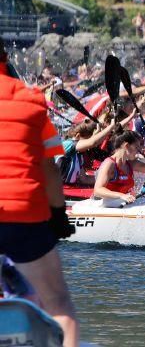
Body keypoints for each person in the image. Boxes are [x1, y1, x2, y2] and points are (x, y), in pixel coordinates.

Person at [0, 39, 80, 346]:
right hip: (26, 216)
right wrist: (58, 216)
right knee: (59, 303)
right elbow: (49, 170)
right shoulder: (32, 101)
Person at [58, 115, 131, 186]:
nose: (90, 147)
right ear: (78, 136)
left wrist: (110, 179)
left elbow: (84, 179)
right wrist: (111, 126)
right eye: (88, 139)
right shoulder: (66, 144)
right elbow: (92, 142)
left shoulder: (79, 155)